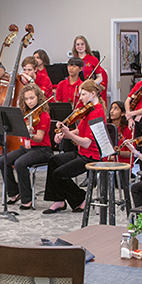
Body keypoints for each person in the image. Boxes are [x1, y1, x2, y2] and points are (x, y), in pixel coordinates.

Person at [44, 79, 106, 214]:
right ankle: (58, 200)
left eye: (83, 94)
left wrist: (69, 135)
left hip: (91, 156)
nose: (80, 98)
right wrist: (65, 134)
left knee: (59, 174)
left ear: (93, 94)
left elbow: (87, 142)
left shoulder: (97, 112)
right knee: (53, 161)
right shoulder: (88, 110)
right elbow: (80, 131)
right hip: (82, 152)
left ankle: (81, 198)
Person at [3, 84, 52, 210]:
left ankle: (27, 199)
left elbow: (40, 138)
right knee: (3, 160)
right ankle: (14, 192)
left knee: (20, 163)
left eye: (32, 98)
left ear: (38, 98)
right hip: (27, 148)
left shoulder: (43, 115)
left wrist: (30, 134)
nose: (29, 102)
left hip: (42, 149)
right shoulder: (25, 113)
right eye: (26, 99)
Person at [72, 36, 108, 101]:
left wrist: (91, 84)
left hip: (89, 90)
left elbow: (100, 77)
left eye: (82, 44)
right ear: (75, 46)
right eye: (77, 44)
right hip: (76, 89)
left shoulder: (93, 59)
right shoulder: (73, 60)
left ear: (86, 45)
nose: (80, 46)